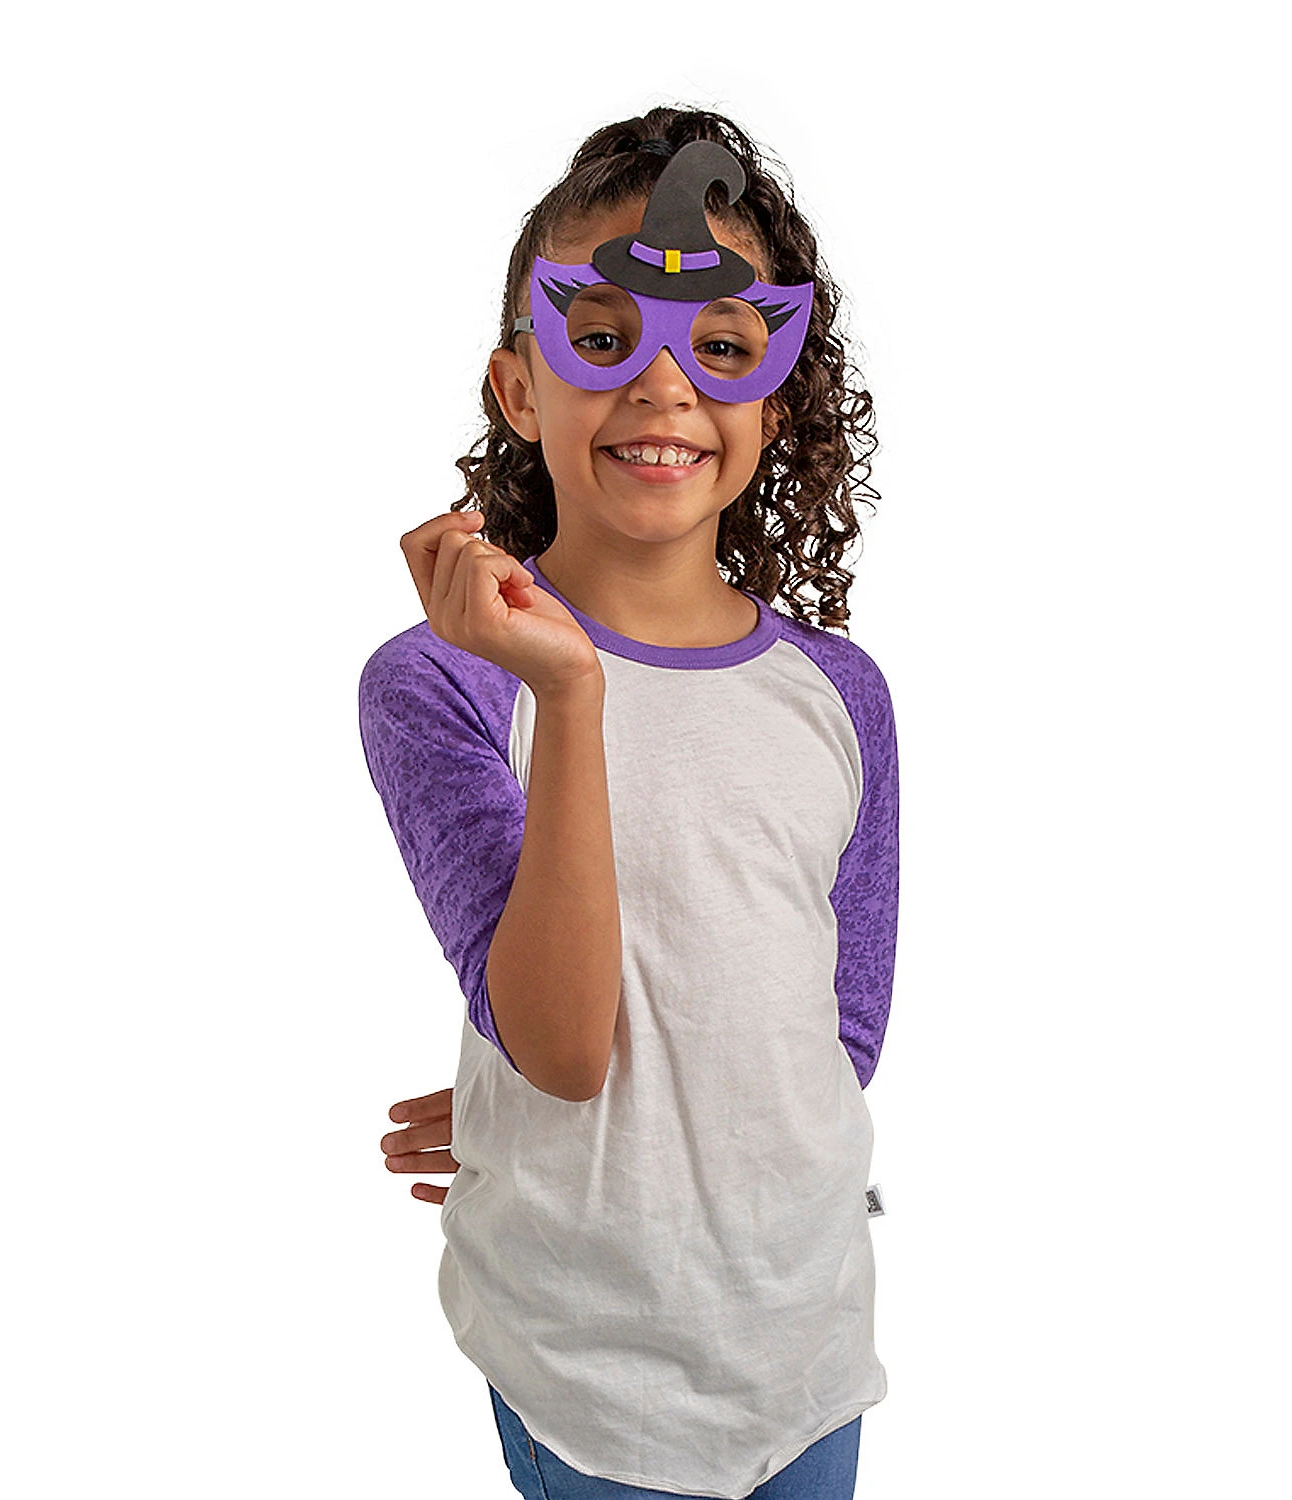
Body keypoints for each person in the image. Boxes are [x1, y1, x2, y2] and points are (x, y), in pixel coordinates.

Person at [360, 106, 899, 1500]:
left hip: (808, 1344)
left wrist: (644, 1118)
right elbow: (562, 1048)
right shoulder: (445, 682)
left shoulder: (841, 693)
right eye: (601, 337)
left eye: (722, 345)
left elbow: (836, 1030)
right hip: (594, 1374)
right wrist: (570, 688)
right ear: (520, 386)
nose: (665, 386)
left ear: (775, 394)